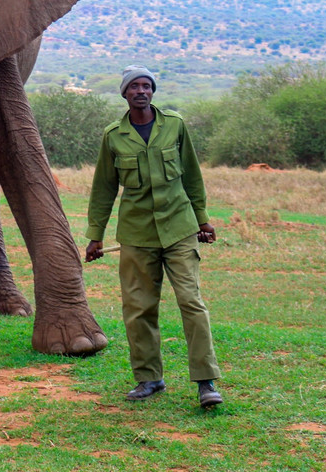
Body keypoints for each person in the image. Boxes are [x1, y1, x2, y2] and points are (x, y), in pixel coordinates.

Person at [84, 65, 223, 408]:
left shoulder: (174, 125)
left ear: (153, 91)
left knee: (192, 302)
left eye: (146, 86)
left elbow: (192, 175)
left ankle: (206, 383)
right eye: (134, 87)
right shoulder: (113, 135)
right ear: (124, 94)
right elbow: (103, 188)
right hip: (136, 234)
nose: (141, 91)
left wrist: (202, 220)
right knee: (138, 308)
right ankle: (149, 379)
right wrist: (95, 236)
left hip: (179, 227)